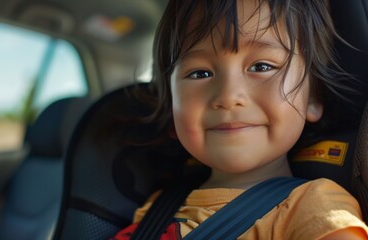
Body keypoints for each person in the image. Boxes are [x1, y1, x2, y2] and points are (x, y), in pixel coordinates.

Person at [112, 0, 368, 239]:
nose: (228, 96)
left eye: (261, 67)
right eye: (200, 73)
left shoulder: (314, 208)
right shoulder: (156, 206)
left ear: (313, 97)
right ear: (172, 109)